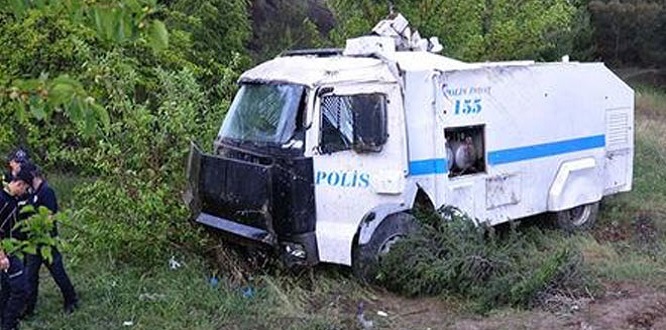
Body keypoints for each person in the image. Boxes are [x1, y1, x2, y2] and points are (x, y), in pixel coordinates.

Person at [22, 166, 78, 316]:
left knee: (58, 272)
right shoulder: (33, 192)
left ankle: (71, 300)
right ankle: (29, 309)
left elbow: (49, 217)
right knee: (30, 276)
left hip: (47, 240)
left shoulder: (46, 191)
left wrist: (36, 224)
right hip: (34, 242)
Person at [0, 167, 33, 330]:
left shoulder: (12, 199)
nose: (24, 192)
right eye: (25, 188)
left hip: (10, 249)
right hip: (4, 253)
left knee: (6, 289)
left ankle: (5, 322)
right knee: (21, 289)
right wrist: (2, 257)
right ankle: (8, 325)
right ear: (19, 184)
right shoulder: (3, 201)